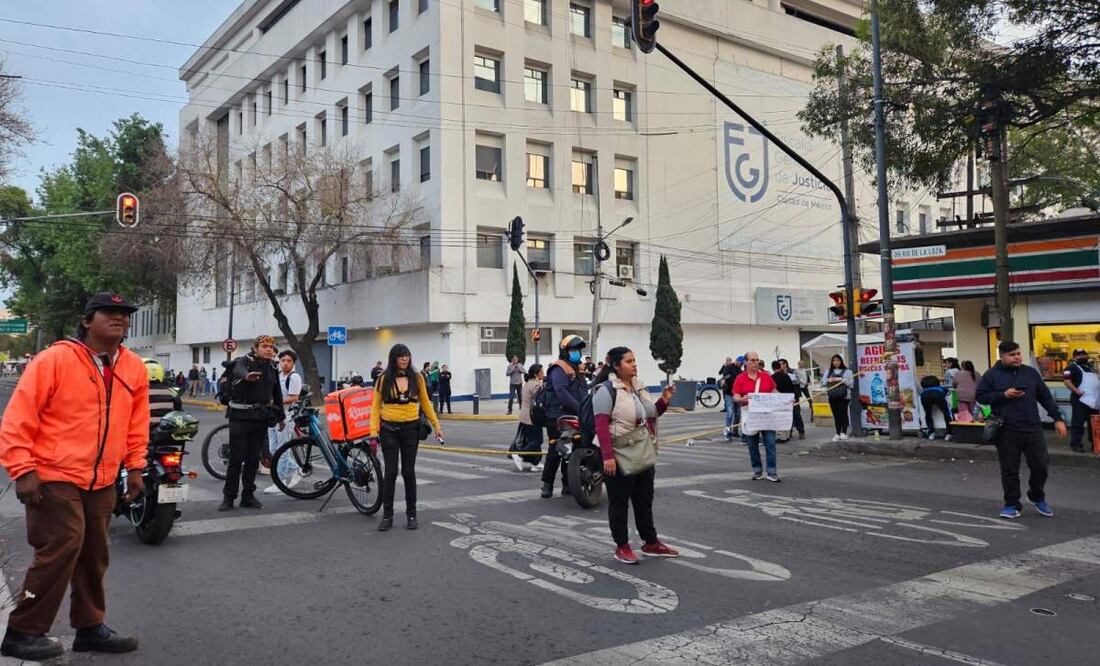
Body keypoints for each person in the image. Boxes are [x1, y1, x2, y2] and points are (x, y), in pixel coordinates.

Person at [0, 292, 146, 660]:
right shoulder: (55, 359)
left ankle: (90, 627)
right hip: (53, 474)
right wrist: (22, 470)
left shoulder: (132, 367)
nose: (119, 319)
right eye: (109, 313)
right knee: (62, 546)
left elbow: (136, 423)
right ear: (86, 321)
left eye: (124, 315)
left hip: (102, 479)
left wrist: (136, 467)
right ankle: (23, 631)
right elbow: (18, 419)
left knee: (95, 554)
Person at [593, 347, 679, 564]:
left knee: (644, 499)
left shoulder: (638, 388)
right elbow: (601, 425)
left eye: (634, 360)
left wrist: (665, 400)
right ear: (616, 365)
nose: (634, 364)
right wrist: (607, 457)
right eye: (629, 361)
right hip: (618, 452)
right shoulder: (606, 390)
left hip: (641, 449)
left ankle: (651, 542)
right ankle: (622, 546)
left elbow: (651, 413)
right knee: (619, 502)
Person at [977, 340, 1067, 519]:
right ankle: (1012, 504)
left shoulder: (1031, 373)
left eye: (1018, 353)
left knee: (1040, 465)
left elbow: (1045, 397)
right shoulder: (992, 375)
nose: (1017, 357)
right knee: (1010, 469)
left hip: (1032, 427)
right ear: (1001, 355)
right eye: (1012, 355)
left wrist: (1057, 418)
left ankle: (1036, 495)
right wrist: (1004, 395)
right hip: (1006, 429)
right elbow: (981, 396)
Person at [370, 344, 443, 531]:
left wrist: (436, 425)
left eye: (407, 356)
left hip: (411, 428)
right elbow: (375, 407)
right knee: (391, 472)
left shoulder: (417, 377)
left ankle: (412, 514)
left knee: (408, 472)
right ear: (393, 358)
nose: (405, 359)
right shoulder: (383, 379)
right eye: (401, 356)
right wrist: (373, 433)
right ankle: (387, 516)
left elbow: (426, 403)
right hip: (388, 430)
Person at [219, 336, 283, 511]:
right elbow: (238, 369)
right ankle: (229, 498)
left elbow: (277, 393)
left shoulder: (272, 366)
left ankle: (248, 496)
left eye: (271, 346)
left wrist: (281, 417)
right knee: (235, 460)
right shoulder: (244, 361)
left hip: (260, 417)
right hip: (239, 417)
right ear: (255, 348)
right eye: (264, 346)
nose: (269, 349)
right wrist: (247, 376)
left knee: (253, 460)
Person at [540, 334, 588, 498]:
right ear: (565, 351)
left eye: (579, 350)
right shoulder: (559, 368)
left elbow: (583, 393)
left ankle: (569, 484)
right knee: (556, 450)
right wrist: (580, 408)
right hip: (558, 417)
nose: (578, 353)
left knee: (574, 451)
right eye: (574, 350)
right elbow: (562, 392)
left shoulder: (577, 369)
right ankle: (547, 484)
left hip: (576, 416)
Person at [734, 351, 781, 482]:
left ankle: (772, 471)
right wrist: (742, 398)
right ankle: (757, 470)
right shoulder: (740, 378)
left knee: (770, 443)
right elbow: (735, 396)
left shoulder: (766, 376)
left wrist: (784, 399)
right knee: (752, 444)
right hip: (750, 414)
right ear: (746, 362)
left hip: (767, 415)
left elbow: (774, 390)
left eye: (757, 360)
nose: (756, 363)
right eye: (753, 360)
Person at [264, 350, 304, 495]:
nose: (285, 363)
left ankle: (279, 482)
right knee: (274, 449)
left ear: (293, 363)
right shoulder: (279, 375)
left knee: (282, 449)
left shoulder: (294, 377)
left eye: (289, 361)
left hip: (286, 416)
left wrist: (275, 402)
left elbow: (294, 397)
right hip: (274, 415)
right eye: (283, 361)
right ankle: (296, 469)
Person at [1063, 348, 1097, 453]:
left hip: (1093, 401)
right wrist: (1076, 390)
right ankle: (1076, 444)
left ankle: (1095, 444)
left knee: (1094, 424)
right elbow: (1066, 380)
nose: (1082, 357)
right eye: (1079, 355)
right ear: (1074, 357)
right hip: (1080, 400)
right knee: (1078, 423)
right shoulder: (1070, 368)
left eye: (1084, 355)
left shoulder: (1091, 368)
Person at [513, 363, 545, 472]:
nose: (543, 374)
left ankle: (535, 463)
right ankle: (519, 455)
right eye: (541, 372)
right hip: (532, 417)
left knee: (532, 441)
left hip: (525, 416)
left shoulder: (527, 383)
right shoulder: (536, 385)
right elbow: (540, 400)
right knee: (537, 441)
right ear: (536, 374)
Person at [822, 354, 853, 441]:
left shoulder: (847, 371)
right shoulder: (828, 371)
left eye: (838, 360)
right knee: (836, 415)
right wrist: (828, 380)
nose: (836, 362)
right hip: (832, 396)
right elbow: (823, 382)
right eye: (834, 360)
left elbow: (851, 383)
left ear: (841, 361)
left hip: (844, 396)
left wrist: (840, 379)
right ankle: (837, 433)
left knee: (843, 413)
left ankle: (844, 432)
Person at [145, 358, 182, 428]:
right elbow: (178, 411)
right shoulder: (171, 392)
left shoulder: (139, 393)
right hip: (166, 430)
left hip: (147, 431)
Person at [774, 359, 805, 439]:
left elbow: (798, 381)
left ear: (785, 365)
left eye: (781, 364)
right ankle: (789, 432)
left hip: (793, 395)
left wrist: (789, 377)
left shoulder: (792, 372)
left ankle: (801, 431)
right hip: (783, 396)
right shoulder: (778, 374)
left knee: (796, 414)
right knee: (786, 414)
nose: (780, 366)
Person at [720, 356, 743, 441]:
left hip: (738, 395)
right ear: (737, 361)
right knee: (730, 413)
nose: (741, 364)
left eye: (742, 363)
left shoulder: (741, 371)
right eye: (741, 362)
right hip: (729, 394)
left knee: (738, 414)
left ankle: (735, 431)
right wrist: (725, 381)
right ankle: (728, 432)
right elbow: (725, 377)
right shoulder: (728, 368)